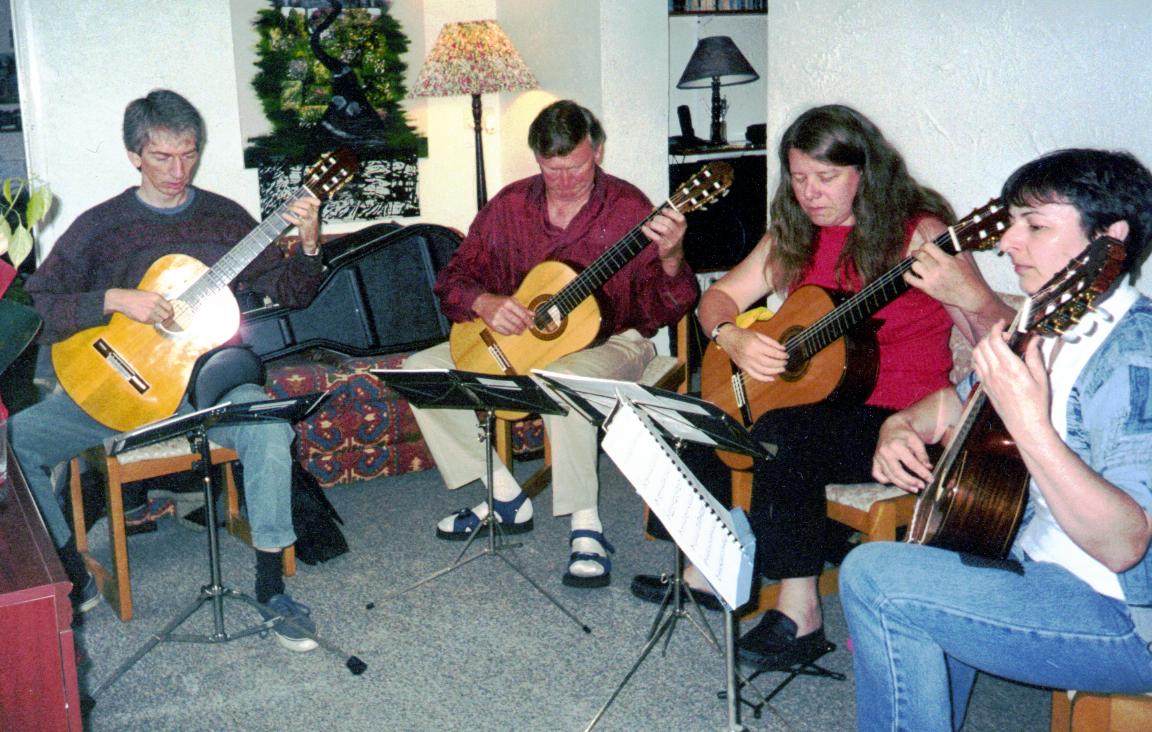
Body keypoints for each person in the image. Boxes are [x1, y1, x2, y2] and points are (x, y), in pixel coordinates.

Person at [631, 105, 1012, 666]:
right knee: (701, 416)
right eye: (799, 178)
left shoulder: (920, 233)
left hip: (897, 418)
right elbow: (716, 300)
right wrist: (732, 336)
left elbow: (999, 340)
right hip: (814, 401)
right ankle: (714, 568)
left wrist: (972, 295)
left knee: (782, 433)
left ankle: (800, 614)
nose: (810, 193)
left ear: (866, 170)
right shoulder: (794, 232)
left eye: (826, 178)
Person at [842, 148, 1152, 731]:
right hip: (1035, 555)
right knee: (933, 551)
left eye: (1035, 226)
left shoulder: (1136, 359)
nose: (1008, 242)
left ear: (1109, 238)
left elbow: (1124, 545)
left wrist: (1031, 426)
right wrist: (900, 425)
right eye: (1012, 223)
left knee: (874, 576)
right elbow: (953, 404)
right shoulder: (1048, 320)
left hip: (1126, 616)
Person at [10, 89, 325, 651]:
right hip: (118, 387)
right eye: (162, 157)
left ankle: (272, 586)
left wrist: (306, 243)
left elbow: (292, 295)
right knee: (14, 445)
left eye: (189, 154)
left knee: (272, 431)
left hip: (207, 384)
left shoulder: (225, 218)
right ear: (134, 155)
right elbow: (36, 303)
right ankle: (71, 573)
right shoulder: (100, 226)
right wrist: (111, 298)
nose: (178, 171)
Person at [403, 100, 697, 586]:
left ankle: (587, 525)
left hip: (616, 341)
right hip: (523, 344)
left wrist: (672, 256)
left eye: (575, 167)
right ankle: (503, 496)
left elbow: (666, 307)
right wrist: (485, 303)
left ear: (598, 152)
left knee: (565, 378)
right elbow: (454, 278)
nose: (563, 180)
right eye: (550, 168)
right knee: (420, 371)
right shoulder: (511, 205)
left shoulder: (629, 209)